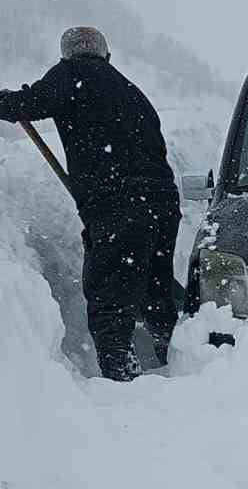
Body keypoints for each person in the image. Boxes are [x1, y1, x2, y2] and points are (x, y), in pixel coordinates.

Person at [0, 26, 181, 381]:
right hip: (162, 202)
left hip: (119, 205)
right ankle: (177, 360)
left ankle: (119, 378)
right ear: (107, 56)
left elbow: (30, 104)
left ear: (66, 55)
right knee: (156, 289)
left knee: (109, 296)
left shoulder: (73, 73)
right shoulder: (131, 90)